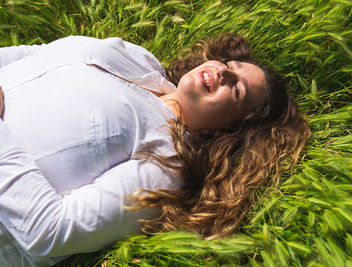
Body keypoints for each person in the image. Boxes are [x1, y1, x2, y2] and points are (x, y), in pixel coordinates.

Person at [0, 33, 310, 266]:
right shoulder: (141, 60)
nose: (224, 72)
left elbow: (51, 233)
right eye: (231, 65)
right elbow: (37, 55)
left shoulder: (167, 166)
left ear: (228, 131)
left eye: (237, 89)